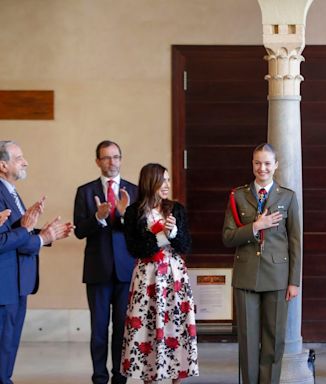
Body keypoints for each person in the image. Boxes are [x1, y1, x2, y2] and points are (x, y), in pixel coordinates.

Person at [222, 143, 301, 384]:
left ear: (275, 165)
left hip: (277, 276)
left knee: (273, 339)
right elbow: (227, 237)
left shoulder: (287, 196)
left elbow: (295, 241)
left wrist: (294, 281)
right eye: (258, 163)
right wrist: (255, 227)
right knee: (247, 340)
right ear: (252, 164)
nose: (262, 168)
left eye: (267, 163)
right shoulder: (238, 196)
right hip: (246, 275)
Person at [0, 140, 73, 384]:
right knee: (2, 349)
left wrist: (46, 235)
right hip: (4, 285)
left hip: (17, 285)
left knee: (8, 348)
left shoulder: (11, 191)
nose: (25, 162)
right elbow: (3, 241)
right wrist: (39, 237)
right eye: (19, 157)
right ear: (3, 164)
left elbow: (19, 235)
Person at [121, 163, 198, 384]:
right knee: (147, 327)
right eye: (162, 180)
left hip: (174, 276)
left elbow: (185, 246)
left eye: (168, 180)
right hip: (147, 277)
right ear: (149, 182)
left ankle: (177, 377)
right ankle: (149, 377)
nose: (167, 185)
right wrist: (161, 236)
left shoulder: (176, 209)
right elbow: (134, 248)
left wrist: (173, 232)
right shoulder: (134, 211)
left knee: (176, 325)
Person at [73, 140, 138, 384]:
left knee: (122, 329)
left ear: (121, 159)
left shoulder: (134, 190)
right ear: (98, 161)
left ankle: (119, 378)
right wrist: (98, 218)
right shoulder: (85, 191)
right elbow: (79, 230)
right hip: (97, 270)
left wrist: (122, 216)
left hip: (126, 271)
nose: (112, 162)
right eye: (106, 157)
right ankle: (99, 377)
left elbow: (140, 231)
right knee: (99, 330)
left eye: (116, 157)